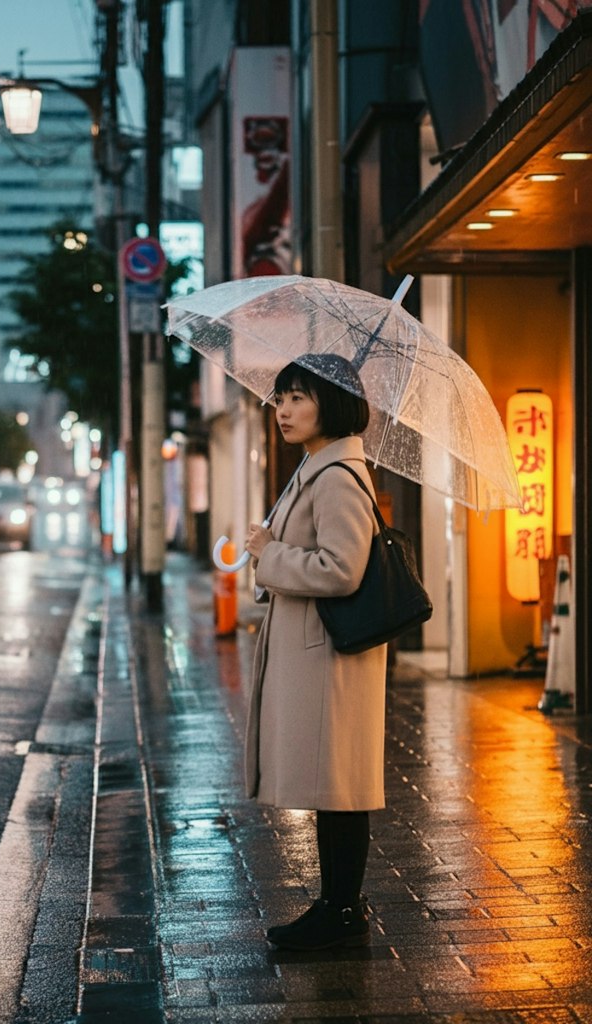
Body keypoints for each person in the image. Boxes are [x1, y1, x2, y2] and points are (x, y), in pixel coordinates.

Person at [243, 354, 385, 951]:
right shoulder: (315, 468)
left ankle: (342, 911)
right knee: (334, 787)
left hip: (330, 654)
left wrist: (271, 554)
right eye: (281, 398)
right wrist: (266, 554)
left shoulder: (334, 476)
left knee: (340, 786)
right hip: (319, 649)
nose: (284, 410)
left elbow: (342, 569)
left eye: (299, 397)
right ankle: (338, 906)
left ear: (332, 403)